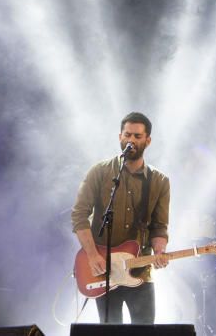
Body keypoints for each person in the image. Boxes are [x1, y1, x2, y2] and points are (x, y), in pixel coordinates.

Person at [71, 112, 171, 324]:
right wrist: (92, 255)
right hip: (104, 271)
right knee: (109, 332)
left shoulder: (160, 181)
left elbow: (159, 227)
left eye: (137, 136)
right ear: (120, 137)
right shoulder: (100, 172)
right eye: (127, 135)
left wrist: (160, 251)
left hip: (140, 271)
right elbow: (79, 215)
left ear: (148, 140)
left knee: (144, 331)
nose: (131, 141)